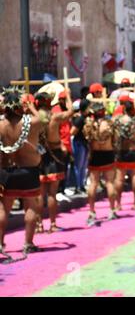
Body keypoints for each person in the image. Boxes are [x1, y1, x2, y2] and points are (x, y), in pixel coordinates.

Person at [0, 88, 44, 258]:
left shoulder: (1, 125)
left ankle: (1, 243)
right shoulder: (31, 123)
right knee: (30, 205)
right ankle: (28, 243)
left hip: (7, 171)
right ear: (20, 106)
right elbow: (42, 118)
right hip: (28, 171)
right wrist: (31, 106)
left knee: (4, 207)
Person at [35, 91, 75, 233]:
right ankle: (52, 224)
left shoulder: (33, 118)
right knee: (52, 193)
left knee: (40, 193)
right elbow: (71, 111)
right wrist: (68, 96)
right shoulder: (54, 117)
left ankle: (39, 225)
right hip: (54, 155)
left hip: (38, 156)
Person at [83, 103, 118, 226]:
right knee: (110, 182)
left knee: (93, 183)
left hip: (95, 155)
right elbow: (115, 139)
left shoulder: (89, 125)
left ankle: (92, 211)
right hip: (108, 154)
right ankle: (112, 209)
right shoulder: (109, 124)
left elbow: (86, 138)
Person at [71, 99, 90, 195]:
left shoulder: (85, 118)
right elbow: (72, 131)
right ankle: (77, 186)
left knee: (83, 166)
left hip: (84, 144)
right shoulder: (80, 119)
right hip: (79, 143)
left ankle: (81, 185)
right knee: (78, 166)